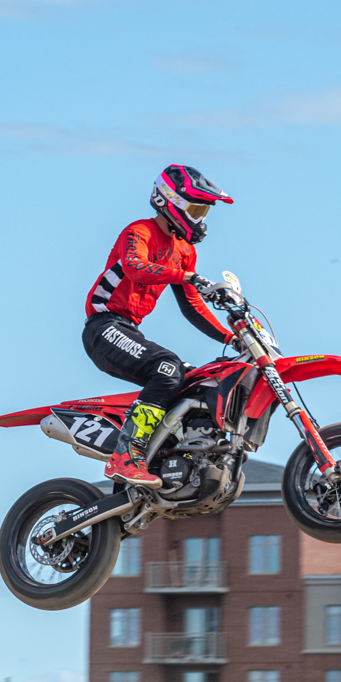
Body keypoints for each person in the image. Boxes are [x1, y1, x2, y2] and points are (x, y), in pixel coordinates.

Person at [82, 164, 238, 489]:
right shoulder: (138, 231)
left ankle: (165, 459)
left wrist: (231, 338)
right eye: (196, 209)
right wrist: (185, 276)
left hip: (130, 330)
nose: (200, 219)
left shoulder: (185, 251)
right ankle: (125, 455)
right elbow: (135, 268)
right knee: (167, 369)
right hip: (103, 326)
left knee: (194, 378)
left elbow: (192, 307)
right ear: (169, 201)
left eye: (204, 211)